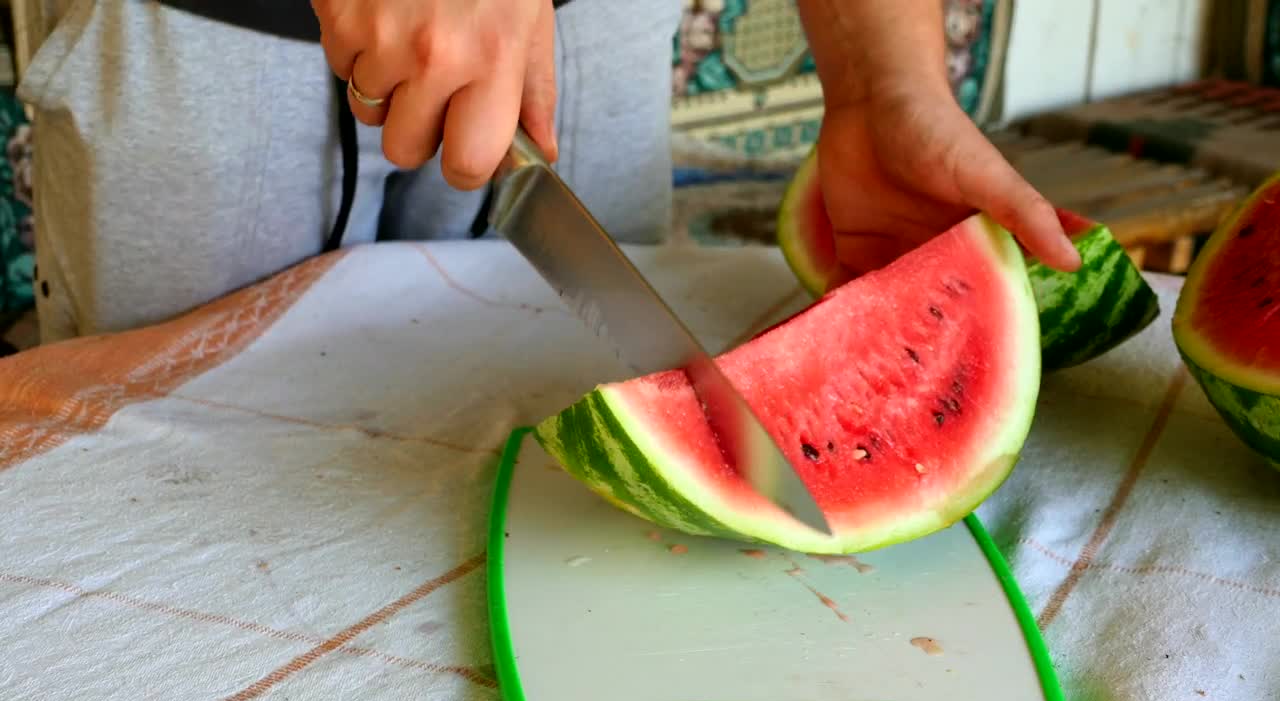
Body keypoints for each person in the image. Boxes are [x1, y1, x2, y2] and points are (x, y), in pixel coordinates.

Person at [16, 0, 1078, 345]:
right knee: (174, 478)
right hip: (196, 35)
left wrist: (883, 77)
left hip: (594, 30)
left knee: (537, 435)